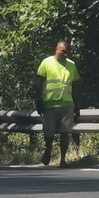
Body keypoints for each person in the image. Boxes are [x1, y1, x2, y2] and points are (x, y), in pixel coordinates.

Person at [35, 40, 81, 168]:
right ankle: (48, 149)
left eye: (67, 52)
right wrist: (38, 101)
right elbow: (38, 83)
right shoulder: (46, 63)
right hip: (50, 104)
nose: (65, 54)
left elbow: (76, 85)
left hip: (67, 104)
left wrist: (77, 105)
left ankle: (63, 160)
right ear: (56, 50)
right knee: (48, 133)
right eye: (62, 52)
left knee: (65, 133)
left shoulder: (72, 65)